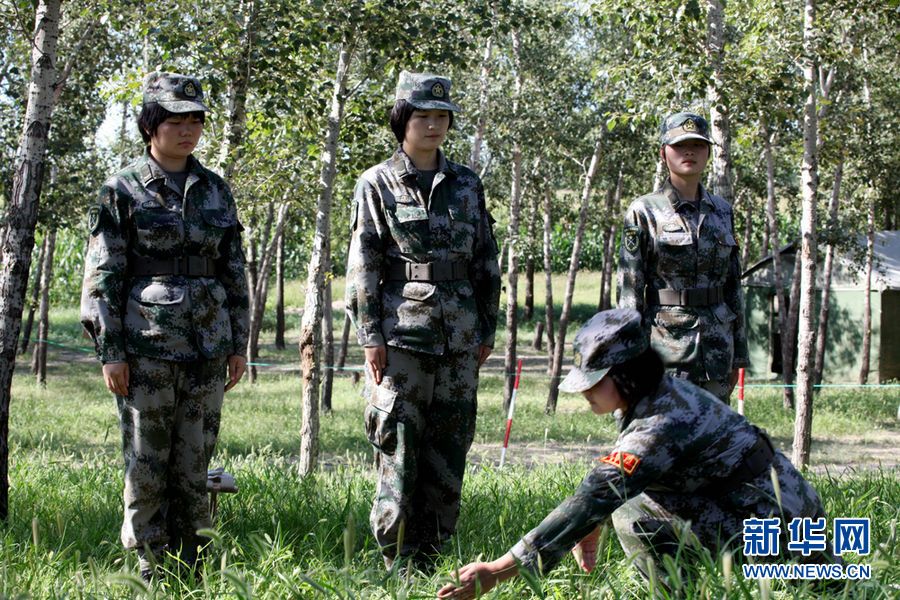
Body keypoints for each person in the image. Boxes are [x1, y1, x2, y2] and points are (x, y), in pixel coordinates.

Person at [438, 309, 837, 599]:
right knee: (627, 502)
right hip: (772, 509)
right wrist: (592, 521)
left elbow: (592, 497)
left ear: (624, 376)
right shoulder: (656, 395)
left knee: (632, 513)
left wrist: (498, 570)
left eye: (594, 382)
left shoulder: (658, 424)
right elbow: (612, 483)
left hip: (774, 532)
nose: (585, 392)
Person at [80, 72, 249, 580]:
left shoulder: (215, 189)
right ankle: (150, 568)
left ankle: (192, 561)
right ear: (151, 124)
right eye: (175, 119)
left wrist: (238, 343)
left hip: (207, 347)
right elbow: (102, 275)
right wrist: (111, 349)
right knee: (147, 461)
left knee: (196, 459)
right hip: (146, 346)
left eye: (195, 119)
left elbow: (234, 271)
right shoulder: (122, 189)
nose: (187, 129)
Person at [345, 70, 501, 570]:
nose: (433, 125)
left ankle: (432, 560)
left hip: (459, 337)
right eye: (423, 116)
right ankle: (396, 563)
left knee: (449, 451)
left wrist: (486, 329)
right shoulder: (377, 182)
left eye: (442, 117)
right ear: (402, 120)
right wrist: (370, 335)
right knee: (400, 450)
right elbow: (364, 263)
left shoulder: (467, 184)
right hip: (402, 337)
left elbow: (485, 260)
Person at [617, 112, 748, 403]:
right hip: (665, 350)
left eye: (698, 145)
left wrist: (739, 354)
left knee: (712, 439)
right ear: (664, 153)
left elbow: (733, 286)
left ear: (709, 153)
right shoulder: (644, 211)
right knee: (663, 436)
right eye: (680, 145)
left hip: (716, 351)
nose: (689, 151)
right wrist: (628, 355)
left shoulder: (722, 211)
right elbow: (630, 290)